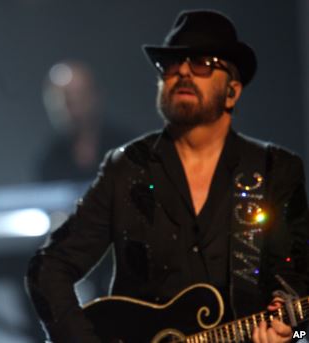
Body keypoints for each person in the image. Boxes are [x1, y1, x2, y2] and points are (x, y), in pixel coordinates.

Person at [26, 10, 309, 343]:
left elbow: (297, 280)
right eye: (171, 64)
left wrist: (292, 334)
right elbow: (49, 268)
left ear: (232, 90)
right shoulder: (128, 167)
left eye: (203, 63)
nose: (184, 71)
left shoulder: (276, 170)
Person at [38, 61, 128, 182]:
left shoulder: (127, 146)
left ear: (95, 96)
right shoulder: (50, 159)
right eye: (58, 99)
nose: (67, 105)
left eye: (76, 95)